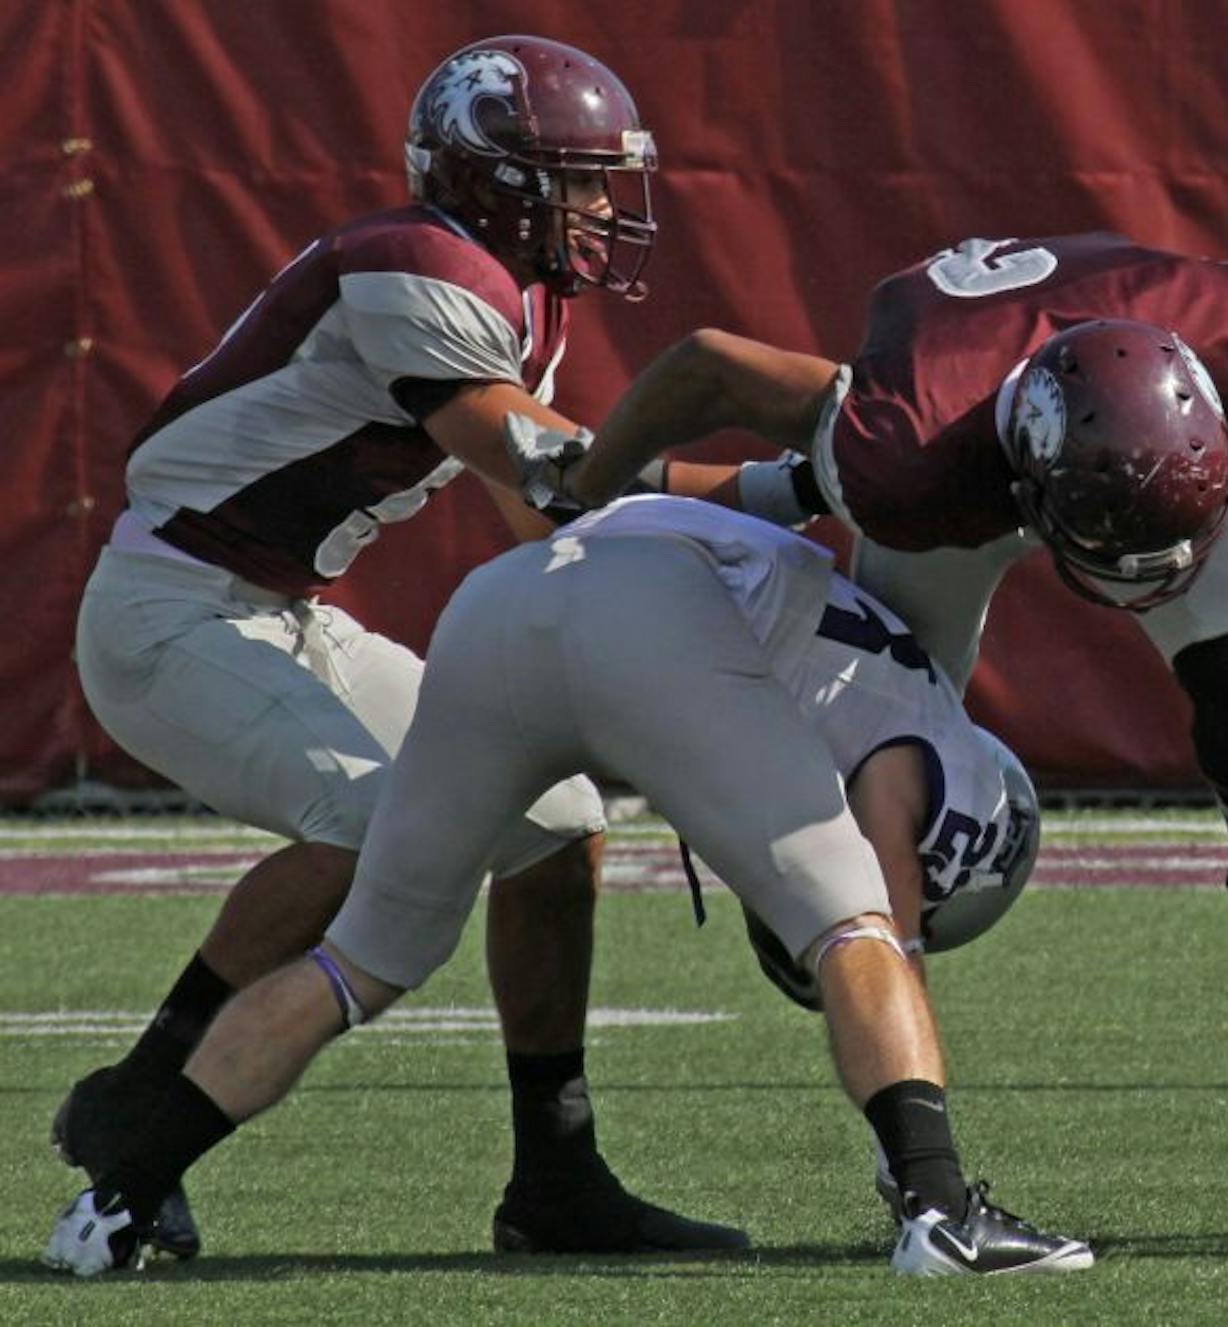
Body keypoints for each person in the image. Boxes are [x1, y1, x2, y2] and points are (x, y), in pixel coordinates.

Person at [57, 35, 735, 1256]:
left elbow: (548, 521)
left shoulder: (519, 293)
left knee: (557, 821)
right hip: (169, 607)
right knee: (371, 831)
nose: (600, 207)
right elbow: (550, 473)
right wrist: (780, 493)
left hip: (285, 611)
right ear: (497, 181)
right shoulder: (415, 263)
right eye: (578, 180)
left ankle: (557, 1177)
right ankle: (140, 1104)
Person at [43, 497, 1093, 1279]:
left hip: (505, 597)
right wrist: (901, 1136)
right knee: (851, 925)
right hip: (650, 615)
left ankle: (117, 1201)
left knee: (361, 958)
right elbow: (883, 922)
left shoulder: (896, 670)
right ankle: (943, 1213)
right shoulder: (924, 759)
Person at [560, 232, 1228, 1059]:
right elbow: (712, 368)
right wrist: (590, 483)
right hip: (956, 444)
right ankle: (836, 925)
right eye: (1121, 561)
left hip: (1103, 424)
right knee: (879, 774)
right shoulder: (908, 457)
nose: (1148, 581)